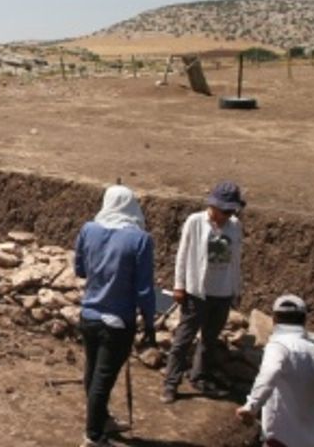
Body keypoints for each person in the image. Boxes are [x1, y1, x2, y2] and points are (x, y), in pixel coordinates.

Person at [73, 184, 157, 447]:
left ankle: (102, 420)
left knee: (92, 370)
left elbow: (80, 270)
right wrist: (150, 323)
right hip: (118, 321)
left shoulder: (89, 229)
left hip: (89, 315)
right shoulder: (140, 240)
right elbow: (144, 289)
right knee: (103, 379)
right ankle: (93, 435)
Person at [162, 180, 245, 403]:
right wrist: (179, 285)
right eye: (224, 210)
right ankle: (171, 383)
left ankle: (199, 377)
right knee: (184, 338)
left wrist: (236, 289)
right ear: (214, 206)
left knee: (209, 339)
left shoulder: (234, 226)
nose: (226, 214)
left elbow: (236, 260)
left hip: (222, 292)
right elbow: (183, 254)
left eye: (230, 210)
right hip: (197, 291)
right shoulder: (195, 222)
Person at [235, 294, 314, 447]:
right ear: (304, 320)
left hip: (286, 439)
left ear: (274, 319)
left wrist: (251, 406)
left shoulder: (279, 346)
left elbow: (269, 374)